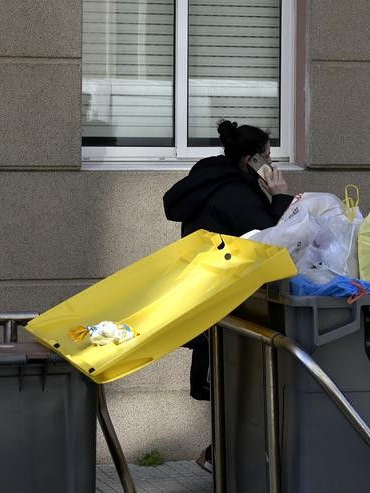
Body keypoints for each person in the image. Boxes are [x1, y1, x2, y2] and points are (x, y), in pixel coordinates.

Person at [162, 120, 293, 471]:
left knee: (229, 383)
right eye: (267, 156)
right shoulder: (233, 192)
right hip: (226, 299)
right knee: (236, 383)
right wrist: (280, 196)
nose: (271, 163)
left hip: (210, 295)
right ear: (250, 159)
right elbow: (270, 239)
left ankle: (219, 455)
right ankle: (220, 457)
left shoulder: (211, 179)